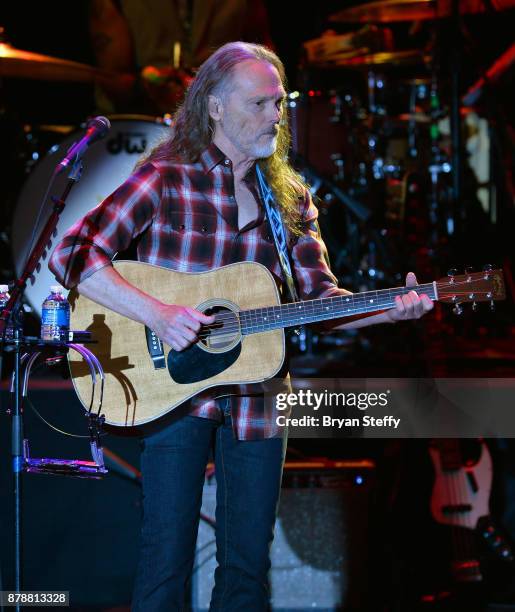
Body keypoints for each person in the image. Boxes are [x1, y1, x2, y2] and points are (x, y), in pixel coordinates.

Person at [49, 42, 433, 611]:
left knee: (248, 569)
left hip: (259, 398)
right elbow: (72, 254)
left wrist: (390, 307)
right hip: (173, 392)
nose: (276, 117)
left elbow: (320, 302)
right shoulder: (166, 179)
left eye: (279, 104)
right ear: (215, 108)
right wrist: (159, 314)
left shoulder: (290, 198)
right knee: (164, 563)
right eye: (261, 104)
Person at [89, 0, 274, 114]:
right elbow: (114, 80)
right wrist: (145, 87)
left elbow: (265, 59)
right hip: (138, 130)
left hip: (221, 125)